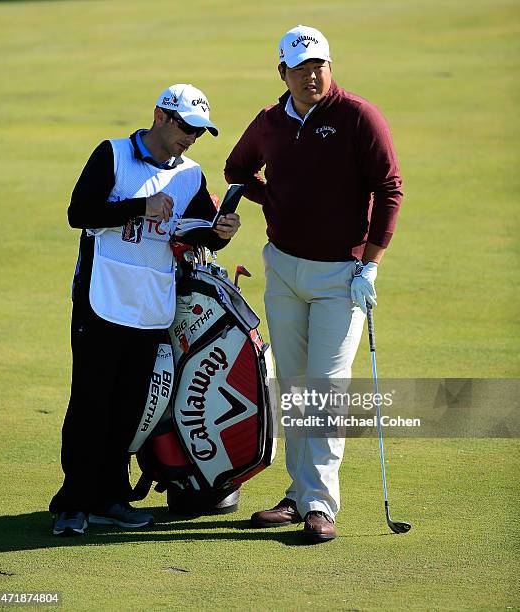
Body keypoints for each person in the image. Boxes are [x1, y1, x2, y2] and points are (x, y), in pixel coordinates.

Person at [224, 25, 403, 543]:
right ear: (283, 72)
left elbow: (390, 189)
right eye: (301, 68)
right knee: (295, 385)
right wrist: (273, 199)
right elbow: (237, 169)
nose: (312, 75)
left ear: (330, 66)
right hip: (282, 268)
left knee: (325, 386)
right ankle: (299, 493)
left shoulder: (357, 117)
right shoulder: (271, 122)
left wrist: (370, 263)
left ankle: (320, 503)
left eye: (320, 65)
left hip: (340, 277)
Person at [50, 84, 240, 536]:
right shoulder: (112, 155)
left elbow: (196, 231)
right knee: (90, 406)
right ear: (160, 116)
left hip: (152, 307)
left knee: (129, 409)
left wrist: (221, 234)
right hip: (102, 300)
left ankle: (110, 498)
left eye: (199, 132)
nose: (191, 138)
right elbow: (80, 213)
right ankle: (73, 502)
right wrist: (140, 207)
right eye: (186, 127)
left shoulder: (192, 174)